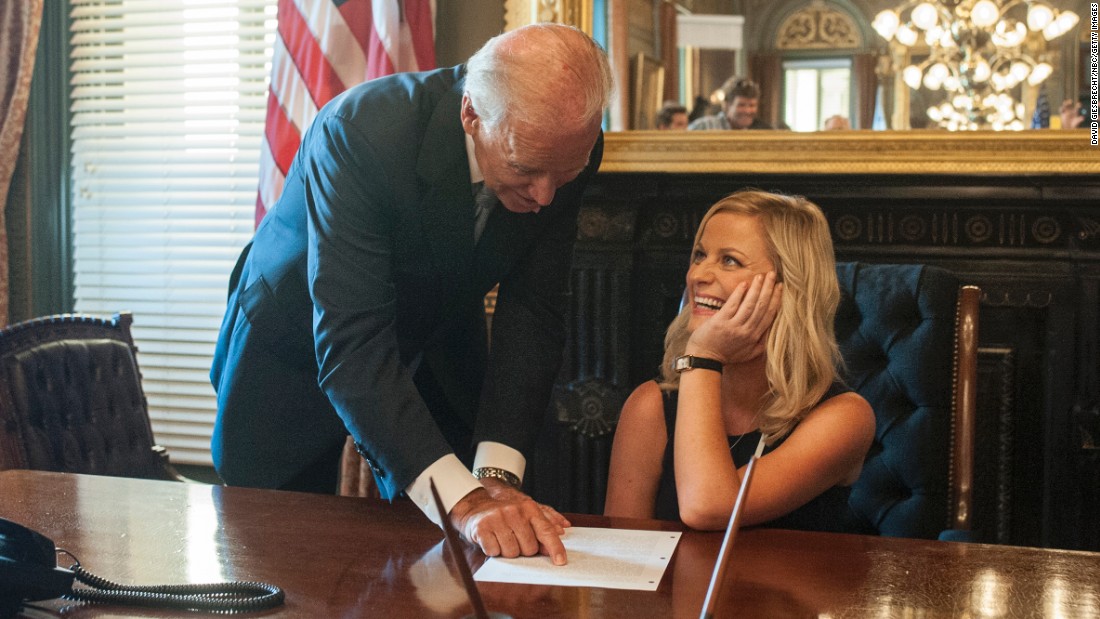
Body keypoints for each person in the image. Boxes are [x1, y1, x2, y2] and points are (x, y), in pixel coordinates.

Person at [210, 23, 613, 566]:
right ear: (471, 115)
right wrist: (465, 500)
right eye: (525, 169)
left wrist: (490, 480)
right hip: (295, 346)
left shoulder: (563, 143)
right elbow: (353, 343)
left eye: (564, 174)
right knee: (274, 558)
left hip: (438, 334)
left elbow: (534, 312)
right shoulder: (362, 132)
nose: (546, 194)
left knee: (448, 559)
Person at [604, 190, 875, 533]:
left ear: (789, 287)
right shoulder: (649, 406)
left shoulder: (844, 417)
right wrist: (704, 360)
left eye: (730, 260)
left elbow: (708, 507)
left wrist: (704, 358)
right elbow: (621, 555)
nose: (697, 274)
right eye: (700, 255)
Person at [688, 77, 773, 131]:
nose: (748, 111)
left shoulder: (760, 132)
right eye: (741, 105)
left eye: (752, 105)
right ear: (726, 105)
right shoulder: (703, 127)